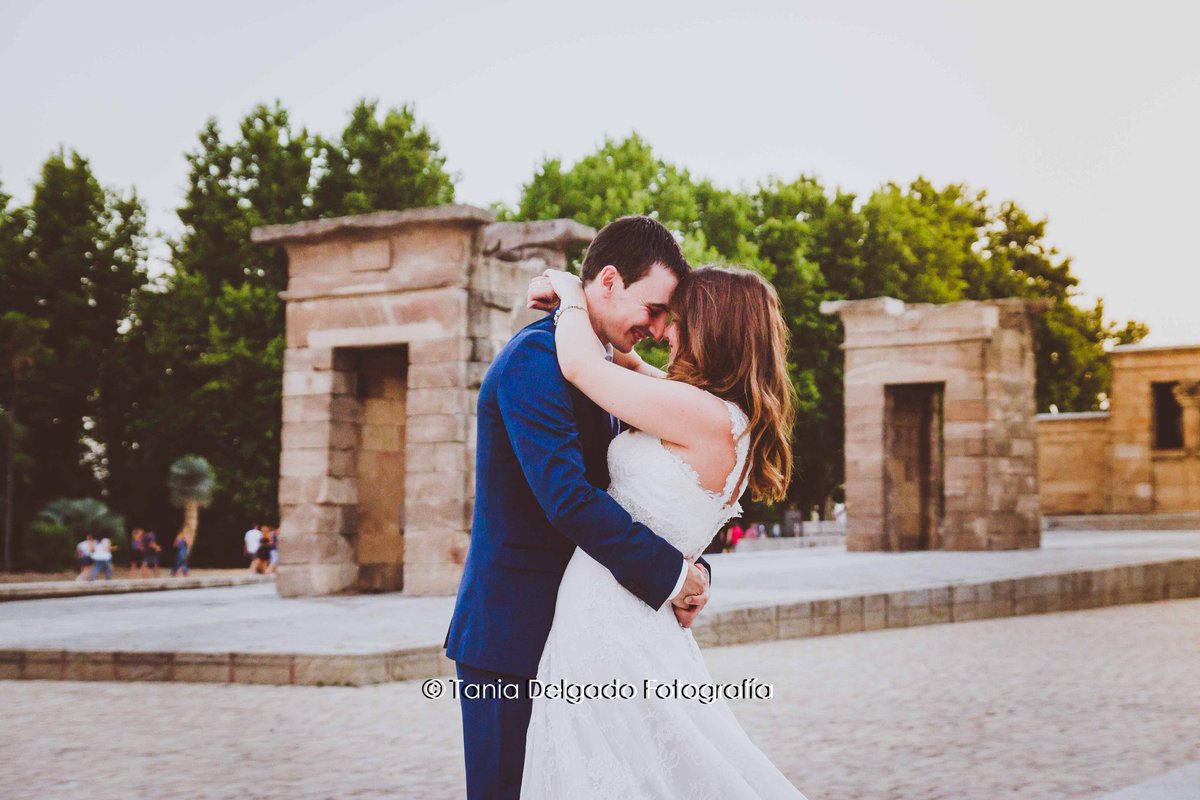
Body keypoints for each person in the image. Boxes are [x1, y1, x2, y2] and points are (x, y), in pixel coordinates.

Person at [444, 217, 713, 800]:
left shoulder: (604, 366)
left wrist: (693, 567)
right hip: (513, 639)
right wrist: (671, 575)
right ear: (609, 280)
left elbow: (647, 489)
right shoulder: (533, 361)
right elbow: (566, 498)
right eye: (656, 308)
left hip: (587, 637)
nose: (660, 327)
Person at [519, 264, 805, 798]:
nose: (663, 331)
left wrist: (569, 290)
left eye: (676, 320)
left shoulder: (697, 412)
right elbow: (629, 364)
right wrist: (613, 323)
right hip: (639, 611)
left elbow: (582, 365)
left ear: (711, 326)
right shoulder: (726, 415)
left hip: (609, 612)